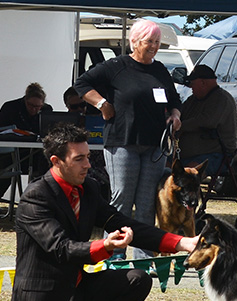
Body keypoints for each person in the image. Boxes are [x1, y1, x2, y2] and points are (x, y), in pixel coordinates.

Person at [0, 123, 197, 301]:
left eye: (88, 157)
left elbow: (124, 222)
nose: (88, 165)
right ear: (56, 161)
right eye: (79, 159)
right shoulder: (35, 197)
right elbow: (61, 249)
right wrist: (104, 246)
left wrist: (183, 243)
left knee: (137, 279)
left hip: (76, 290)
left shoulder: (88, 188)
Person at [73, 19, 182, 261]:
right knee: (122, 199)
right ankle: (113, 253)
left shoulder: (160, 69)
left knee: (145, 204)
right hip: (122, 142)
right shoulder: (116, 66)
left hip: (154, 146)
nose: (154, 46)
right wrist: (102, 103)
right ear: (134, 41)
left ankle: (143, 255)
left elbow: (175, 101)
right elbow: (81, 83)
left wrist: (175, 115)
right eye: (148, 41)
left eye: (156, 41)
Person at [0, 82, 53, 215]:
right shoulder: (10, 107)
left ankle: (38, 204)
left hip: (34, 153)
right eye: (31, 105)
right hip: (8, 153)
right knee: (9, 166)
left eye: (38, 107)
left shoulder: (46, 110)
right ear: (25, 100)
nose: (35, 109)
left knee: (45, 164)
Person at [177, 65, 237, 177]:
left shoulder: (222, 99)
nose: (191, 88)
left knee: (189, 175)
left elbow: (207, 121)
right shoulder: (192, 100)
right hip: (187, 154)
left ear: (202, 83)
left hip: (215, 155)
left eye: (193, 84)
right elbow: (180, 114)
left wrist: (180, 126)